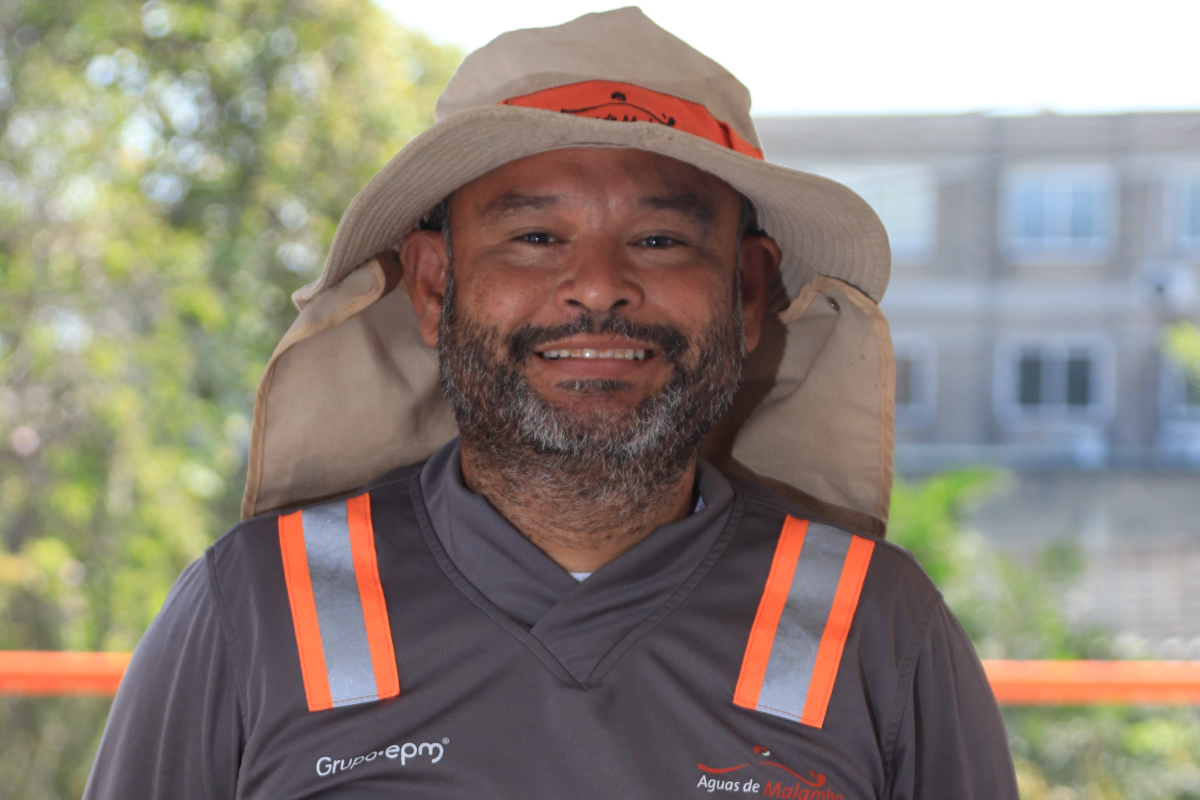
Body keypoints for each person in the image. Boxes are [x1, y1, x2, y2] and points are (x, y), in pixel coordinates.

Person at [83, 8, 1018, 799]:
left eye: (659, 240)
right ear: (435, 285)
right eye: (535, 235)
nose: (597, 287)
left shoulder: (875, 625)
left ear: (745, 293)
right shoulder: (255, 606)